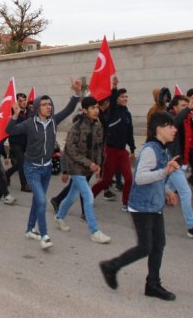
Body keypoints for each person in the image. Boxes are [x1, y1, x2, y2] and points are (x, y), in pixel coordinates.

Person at [99, 112, 180, 301]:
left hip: (154, 205)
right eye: (170, 126)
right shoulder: (151, 150)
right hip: (142, 206)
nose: (174, 130)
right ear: (159, 129)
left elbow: (158, 176)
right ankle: (111, 266)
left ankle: (152, 284)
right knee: (145, 247)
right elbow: (141, 177)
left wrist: (167, 190)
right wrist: (164, 172)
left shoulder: (163, 149)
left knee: (158, 245)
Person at [6, 78, 82, 250]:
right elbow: (10, 131)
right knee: (41, 200)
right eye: (45, 104)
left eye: (50, 104)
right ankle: (45, 235)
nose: (49, 107)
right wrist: (14, 115)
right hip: (31, 168)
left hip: (47, 168)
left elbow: (69, 109)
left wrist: (77, 93)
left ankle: (30, 229)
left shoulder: (53, 121)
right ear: (38, 106)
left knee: (37, 201)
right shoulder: (29, 123)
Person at [55, 96, 111, 244]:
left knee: (72, 196)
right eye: (92, 108)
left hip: (89, 167)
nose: (96, 110)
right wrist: (67, 170)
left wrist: (98, 166)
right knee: (88, 196)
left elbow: (99, 148)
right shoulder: (77, 127)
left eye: (97, 107)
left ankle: (60, 217)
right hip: (76, 167)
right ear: (85, 110)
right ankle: (94, 231)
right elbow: (70, 151)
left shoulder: (98, 125)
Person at [164, 95, 193, 240]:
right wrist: (189, 107)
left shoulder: (187, 121)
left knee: (175, 190)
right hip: (168, 161)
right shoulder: (169, 118)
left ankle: (191, 226)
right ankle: (191, 226)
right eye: (183, 105)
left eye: (186, 105)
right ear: (174, 108)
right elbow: (174, 123)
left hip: (178, 161)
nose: (186, 108)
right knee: (184, 192)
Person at [91, 77, 136, 206]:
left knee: (129, 178)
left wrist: (132, 150)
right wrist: (114, 87)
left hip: (122, 152)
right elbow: (112, 98)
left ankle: (126, 203)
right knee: (106, 180)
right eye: (122, 97)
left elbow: (130, 133)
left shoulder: (127, 114)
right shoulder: (112, 112)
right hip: (110, 151)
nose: (125, 99)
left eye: (126, 97)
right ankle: (90, 196)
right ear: (116, 99)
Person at [6, 92, 29, 193]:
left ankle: (7, 173)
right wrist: (15, 114)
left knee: (21, 162)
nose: (23, 102)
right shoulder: (12, 113)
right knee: (22, 162)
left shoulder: (29, 112)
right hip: (15, 141)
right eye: (20, 100)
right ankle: (24, 185)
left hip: (25, 142)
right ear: (16, 102)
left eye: (24, 100)